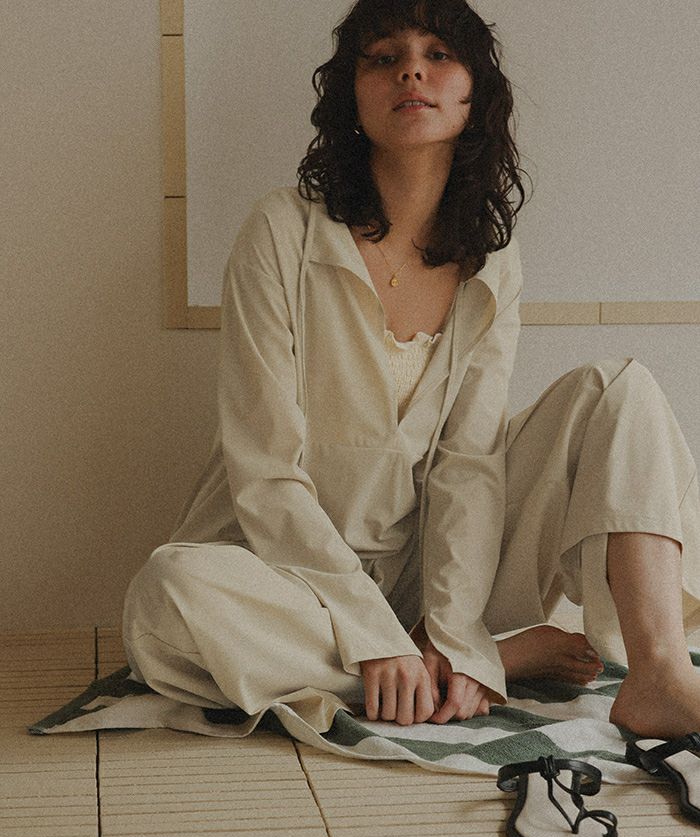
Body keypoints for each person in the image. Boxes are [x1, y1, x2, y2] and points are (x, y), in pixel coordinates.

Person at [123, 0, 700, 738]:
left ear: (474, 93)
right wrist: (375, 632)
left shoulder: (490, 260)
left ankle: (658, 674)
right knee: (168, 593)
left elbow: (469, 463)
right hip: (288, 577)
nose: (412, 71)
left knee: (622, 389)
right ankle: (483, 662)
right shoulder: (281, 231)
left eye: (438, 54)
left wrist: (450, 626)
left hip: (429, 573)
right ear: (352, 93)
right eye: (384, 56)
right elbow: (265, 474)